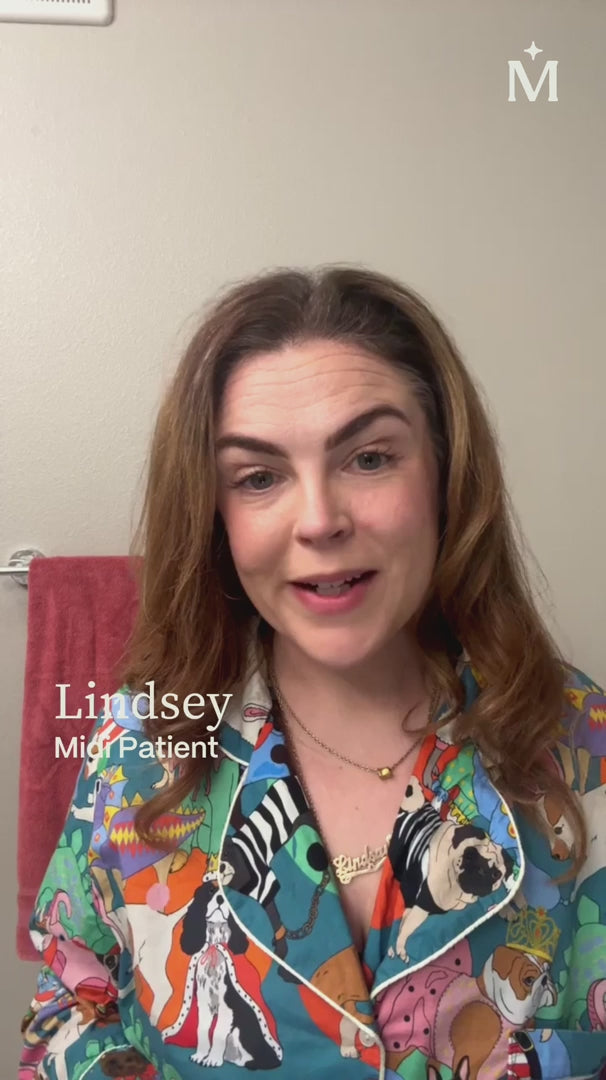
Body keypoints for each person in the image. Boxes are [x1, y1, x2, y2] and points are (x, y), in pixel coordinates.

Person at [20, 264, 606, 1080]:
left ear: (445, 475)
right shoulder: (140, 744)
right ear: (216, 516)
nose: (320, 520)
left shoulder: (581, 741)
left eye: (369, 458)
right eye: (258, 477)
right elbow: (69, 1007)